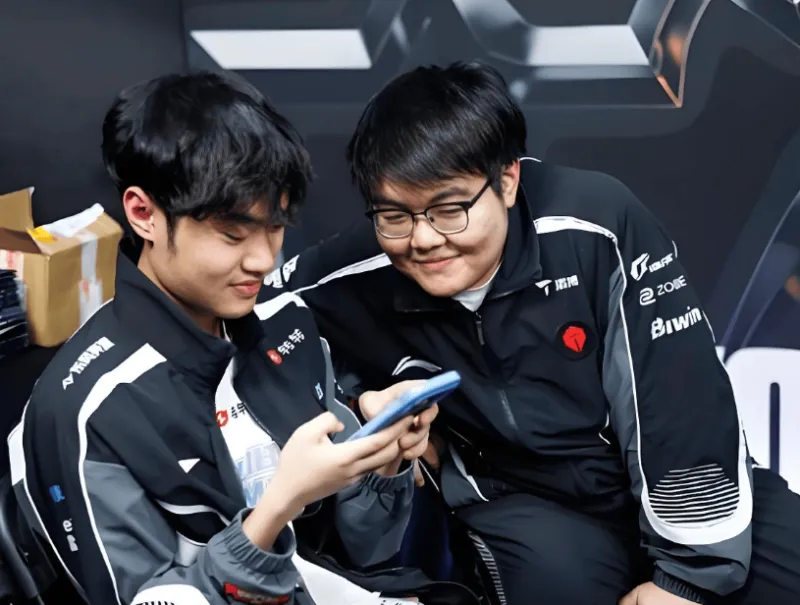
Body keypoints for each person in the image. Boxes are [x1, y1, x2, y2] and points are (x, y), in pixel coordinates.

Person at [261, 62, 800, 605]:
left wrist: (685, 580)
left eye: (449, 209)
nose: (422, 239)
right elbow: (255, 319)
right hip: (522, 503)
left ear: (507, 180)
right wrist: (360, 402)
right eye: (394, 214)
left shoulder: (595, 222)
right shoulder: (357, 265)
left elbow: (681, 401)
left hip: (658, 481)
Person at [6, 71, 439, 605]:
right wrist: (276, 509)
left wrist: (382, 456)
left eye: (275, 227)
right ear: (144, 214)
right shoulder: (85, 411)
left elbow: (369, 551)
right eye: (233, 235)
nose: (263, 260)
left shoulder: (288, 321)